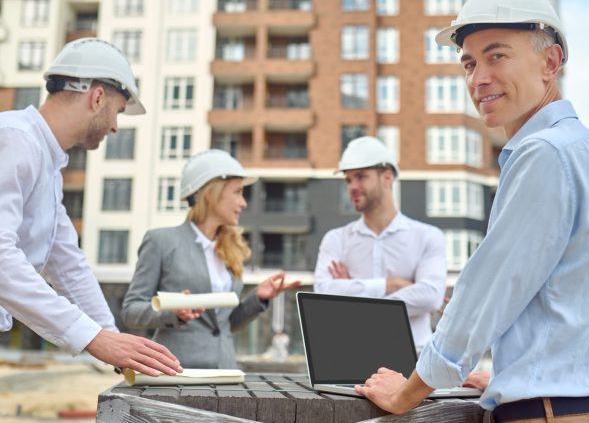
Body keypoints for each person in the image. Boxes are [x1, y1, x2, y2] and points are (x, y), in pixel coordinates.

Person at [356, 0, 589, 422]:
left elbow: (484, 295)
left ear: (551, 61)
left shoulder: (543, 153)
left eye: (497, 56)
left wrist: (407, 392)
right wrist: (517, 372)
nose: (479, 78)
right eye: (469, 64)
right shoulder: (584, 150)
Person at [0, 38, 182, 377]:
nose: (115, 126)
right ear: (97, 97)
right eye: (118, 112)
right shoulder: (16, 140)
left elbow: (68, 263)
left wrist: (113, 342)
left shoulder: (46, 165)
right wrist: (95, 339)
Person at [121, 149, 301, 368]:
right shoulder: (161, 242)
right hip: (177, 371)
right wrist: (172, 311)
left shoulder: (232, 248)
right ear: (210, 193)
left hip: (225, 372)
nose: (243, 203)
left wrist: (258, 299)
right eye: (237, 192)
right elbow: (131, 311)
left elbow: (226, 324)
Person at [314, 136, 447, 350]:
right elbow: (322, 296)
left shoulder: (428, 236)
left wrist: (351, 301)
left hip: (415, 362)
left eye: (361, 177)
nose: (352, 187)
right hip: (352, 355)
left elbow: (430, 297)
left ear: (387, 178)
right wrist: (391, 285)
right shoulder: (335, 239)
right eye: (348, 180)